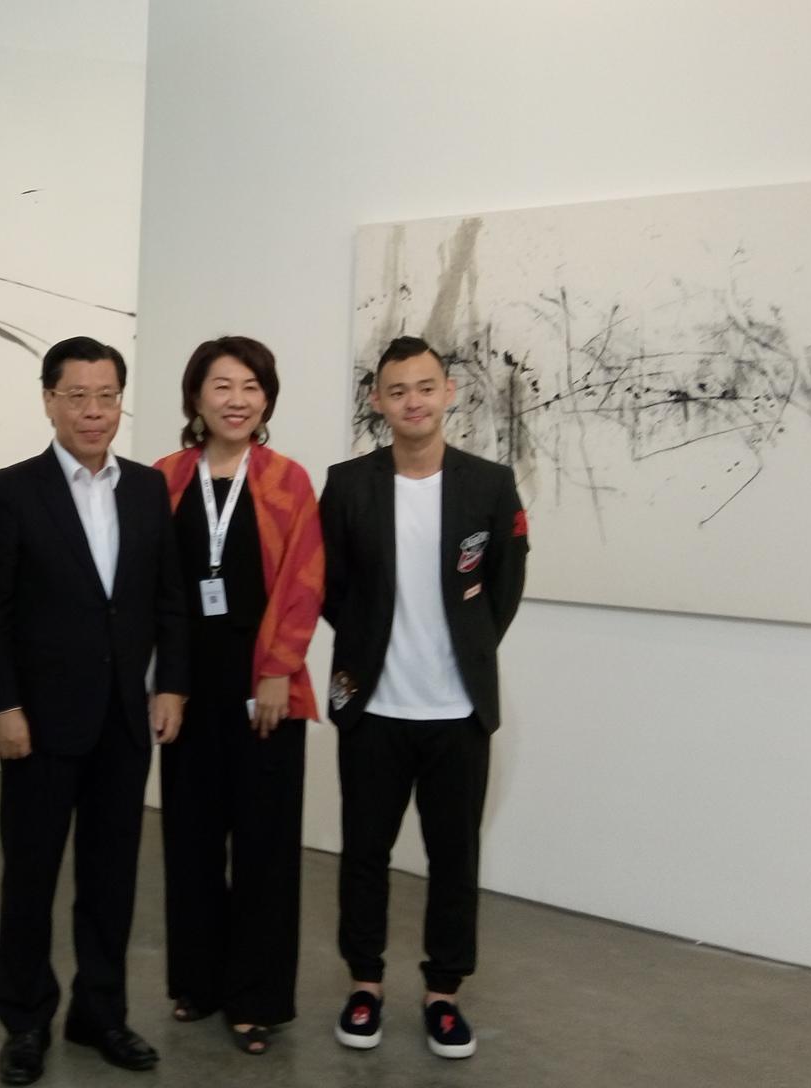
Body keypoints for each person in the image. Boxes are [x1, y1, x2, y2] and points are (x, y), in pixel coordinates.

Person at [0, 336, 190, 1086]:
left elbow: (168, 597)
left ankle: (100, 1012)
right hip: (37, 723)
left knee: (111, 879)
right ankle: (26, 1020)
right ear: (48, 400)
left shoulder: (144, 488)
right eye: (77, 396)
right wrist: (0, 703)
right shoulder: (9, 490)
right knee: (29, 879)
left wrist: (171, 685)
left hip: (123, 723)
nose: (93, 411)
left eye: (106, 396)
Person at [319, 335, 529, 1060]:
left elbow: (504, 586)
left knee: (454, 858)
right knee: (365, 856)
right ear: (377, 402)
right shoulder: (347, 485)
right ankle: (365, 984)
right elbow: (332, 587)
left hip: (457, 713)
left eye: (425, 387)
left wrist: (466, 649)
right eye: (397, 390)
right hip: (373, 709)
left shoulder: (488, 485)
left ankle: (444, 994)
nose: (413, 401)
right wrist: (373, 642)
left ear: (449, 393)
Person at [151, 336, 323, 1056]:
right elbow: (156, 593)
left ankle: (256, 997)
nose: (235, 399)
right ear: (196, 397)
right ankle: (198, 981)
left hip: (265, 693)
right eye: (220, 386)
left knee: (264, 847)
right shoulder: (162, 478)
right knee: (188, 842)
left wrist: (279, 671)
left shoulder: (288, 479)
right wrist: (169, 683)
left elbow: (306, 581)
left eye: (250, 386)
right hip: (188, 690)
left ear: (268, 398)